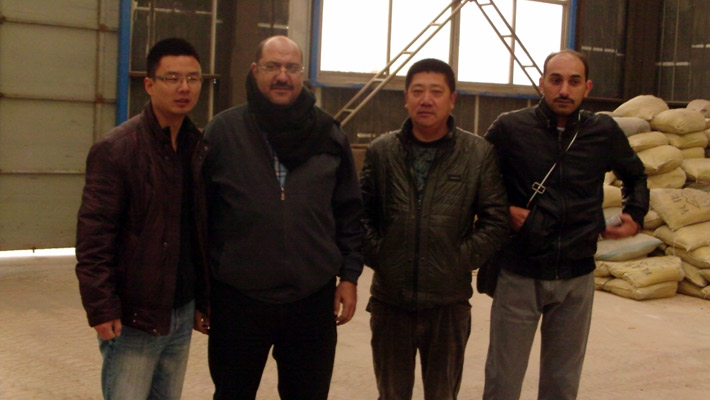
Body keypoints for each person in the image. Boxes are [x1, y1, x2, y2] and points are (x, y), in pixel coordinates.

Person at [199, 35, 363, 399]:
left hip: (312, 298)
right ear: (255, 70)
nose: (282, 76)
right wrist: (201, 291)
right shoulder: (223, 132)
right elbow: (200, 217)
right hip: (239, 299)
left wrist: (349, 276)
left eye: (291, 67)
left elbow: (349, 211)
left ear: (303, 74)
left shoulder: (329, 133)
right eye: (272, 66)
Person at [482, 49, 649, 400]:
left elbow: (635, 175)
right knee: (503, 382)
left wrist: (635, 214)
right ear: (542, 83)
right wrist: (504, 210)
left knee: (562, 384)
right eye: (555, 80)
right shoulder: (510, 128)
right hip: (520, 272)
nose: (564, 90)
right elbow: (476, 181)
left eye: (574, 82)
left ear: (587, 88)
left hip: (577, 276)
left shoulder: (603, 131)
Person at [360, 58, 510, 400]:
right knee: (391, 394)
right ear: (406, 98)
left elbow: (496, 220)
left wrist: (458, 260)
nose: (426, 100)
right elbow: (360, 216)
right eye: (417, 91)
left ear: (452, 99)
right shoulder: (381, 151)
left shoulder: (477, 153)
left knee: (442, 394)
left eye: (436, 92)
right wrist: (383, 256)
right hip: (391, 302)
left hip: (448, 304)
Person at [75, 37, 210, 400]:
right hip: (134, 316)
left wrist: (201, 299)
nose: (184, 88)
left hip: (180, 311)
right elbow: (94, 239)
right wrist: (101, 307)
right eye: (172, 78)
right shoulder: (117, 149)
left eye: (193, 78)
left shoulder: (197, 146)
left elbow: (195, 232)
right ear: (149, 84)